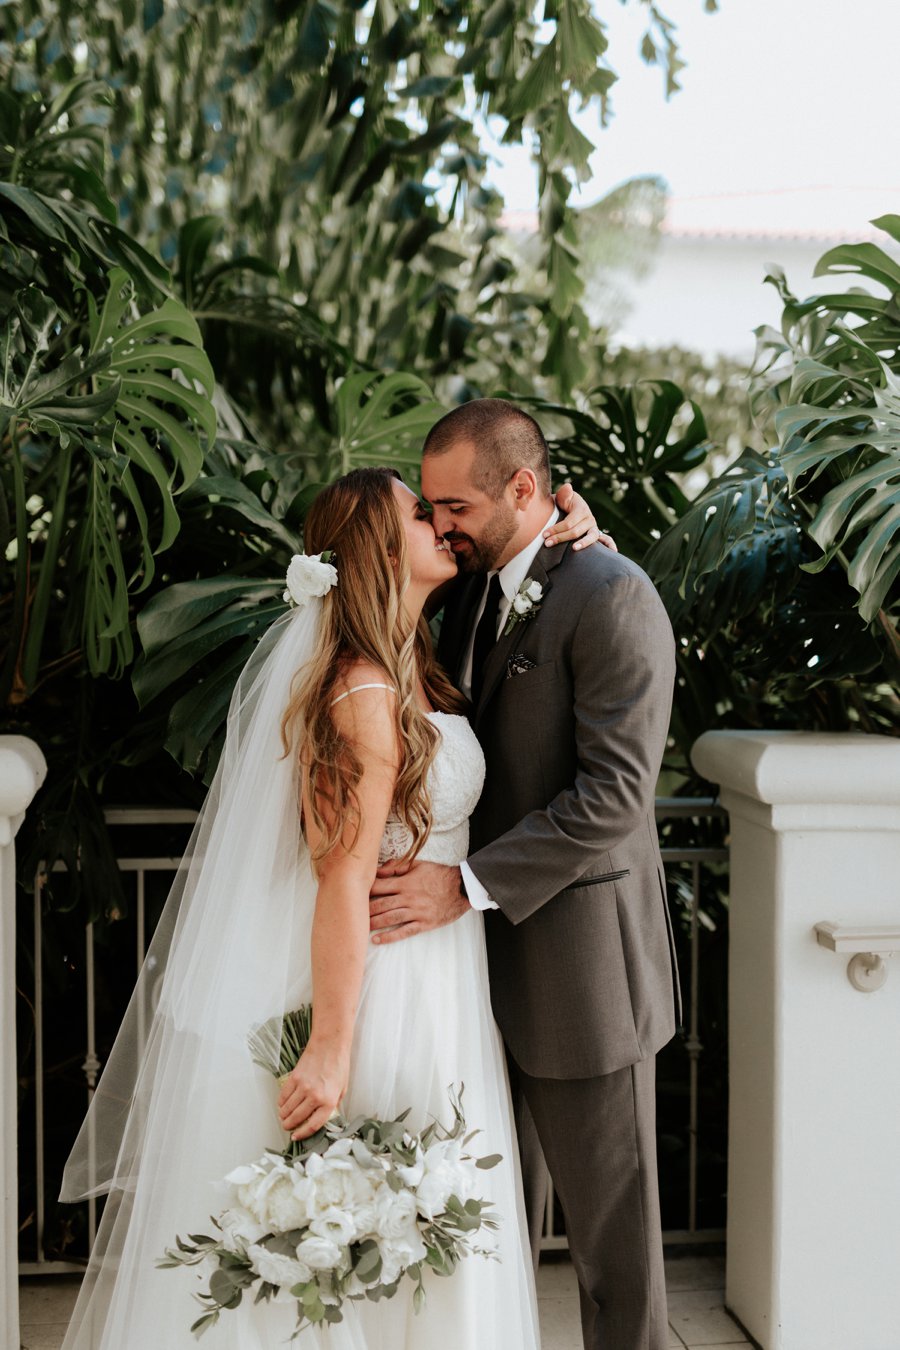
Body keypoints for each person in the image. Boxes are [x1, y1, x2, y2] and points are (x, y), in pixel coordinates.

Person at [58, 466, 602, 1349]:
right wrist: (332, 1048)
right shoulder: (362, 692)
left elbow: (519, 569)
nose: (442, 526)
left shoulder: (419, 656)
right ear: (381, 553)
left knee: (425, 1227)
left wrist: (567, 526)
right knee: (385, 1228)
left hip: (442, 970)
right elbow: (343, 876)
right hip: (391, 982)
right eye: (421, 516)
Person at [369, 399, 680, 1350]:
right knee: (486, 1240)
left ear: (523, 488)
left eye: (453, 505)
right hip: (469, 983)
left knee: (614, 1269)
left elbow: (614, 797)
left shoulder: (611, 592)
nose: (439, 524)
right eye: (430, 507)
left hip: (581, 976)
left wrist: (461, 887)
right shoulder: (459, 593)